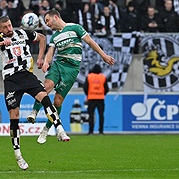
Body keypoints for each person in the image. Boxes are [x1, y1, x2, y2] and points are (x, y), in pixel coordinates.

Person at [0, 15, 70, 170]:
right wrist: (2, 42)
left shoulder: (22, 33)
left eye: (10, 25)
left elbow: (42, 38)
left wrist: (40, 58)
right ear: (0, 29)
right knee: (14, 116)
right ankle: (18, 155)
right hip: (11, 80)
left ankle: (59, 129)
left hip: (26, 75)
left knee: (45, 98)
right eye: (5, 27)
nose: (9, 29)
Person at [27, 9, 115, 144]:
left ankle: (46, 129)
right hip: (58, 65)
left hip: (72, 69)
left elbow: (90, 42)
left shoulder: (75, 28)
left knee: (57, 102)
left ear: (55, 17)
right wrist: (45, 62)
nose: (47, 24)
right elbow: (50, 52)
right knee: (46, 87)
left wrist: (103, 55)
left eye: (47, 21)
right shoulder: (55, 36)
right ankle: (34, 112)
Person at [83, 64, 109, 135]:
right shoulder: (103, 77)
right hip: (100, 98)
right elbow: (106, 88)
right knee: (101, 115)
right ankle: (101, 131)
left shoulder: (89, 77)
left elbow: (85, 88)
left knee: (91, 115)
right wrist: (102, 94)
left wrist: (88, 94)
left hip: (91, 98)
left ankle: (90, 131)